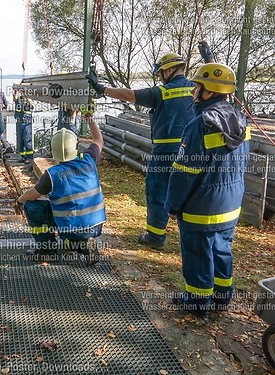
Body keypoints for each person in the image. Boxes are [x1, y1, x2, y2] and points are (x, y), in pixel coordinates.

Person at [165, 63, 250, 316]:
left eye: (197, 86)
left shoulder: (199, 125)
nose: (193, 90)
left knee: (197, 256)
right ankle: (223, 298)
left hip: (200, 209)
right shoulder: (239, 118)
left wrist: (172, 207)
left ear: (209, 92)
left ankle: (198, 303)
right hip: (231, 205)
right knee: (222, 250)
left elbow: (183, 174)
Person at [87, 53, 195, 250]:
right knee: (188, 193)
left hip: (165, 153)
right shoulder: (196, 89)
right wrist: (208, 56)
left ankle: (155, 236)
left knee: (157, 191)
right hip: (190, 153)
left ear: (170, 70)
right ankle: (191, 239)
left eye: (161, 73)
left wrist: (101, 88)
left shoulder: (162, 92)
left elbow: (130, 95)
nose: (161, 78)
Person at [16, 104, 106, 264]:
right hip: (96, 225)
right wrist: (90, 119)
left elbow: (31, 194)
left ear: (54, 152)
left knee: (32, 206)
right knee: (74, 227)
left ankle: (47, 250)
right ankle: (83, 243)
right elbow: (98, 140)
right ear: (76, 148)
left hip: (70, 226)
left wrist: (19, 201)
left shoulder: (53, 174)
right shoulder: (89, 159)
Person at [13, 89, 34, 163]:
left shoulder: (29, 98)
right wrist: (16, 91)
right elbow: (14, 98)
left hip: (27, 122)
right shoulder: (18, 98)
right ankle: (23, 157)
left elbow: (32, 106)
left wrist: (28, 97)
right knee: (20, 140)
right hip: (19, 122)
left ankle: (30, 158)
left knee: (27, 139)